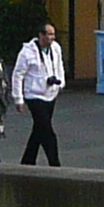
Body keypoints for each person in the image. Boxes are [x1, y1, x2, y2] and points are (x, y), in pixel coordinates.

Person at [10, 21, 67, 168]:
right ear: (41, 35)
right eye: (49, 34)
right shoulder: (27, 52)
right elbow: (18, 75)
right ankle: (55, 164)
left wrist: (60, 83)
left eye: (54, 34)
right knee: (47, 130)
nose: (52, 38)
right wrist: (18, 98)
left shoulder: (55, 48)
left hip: (50, 94)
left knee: (39, 129)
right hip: (34, 95)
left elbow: (59, 65)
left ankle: (27, 162)